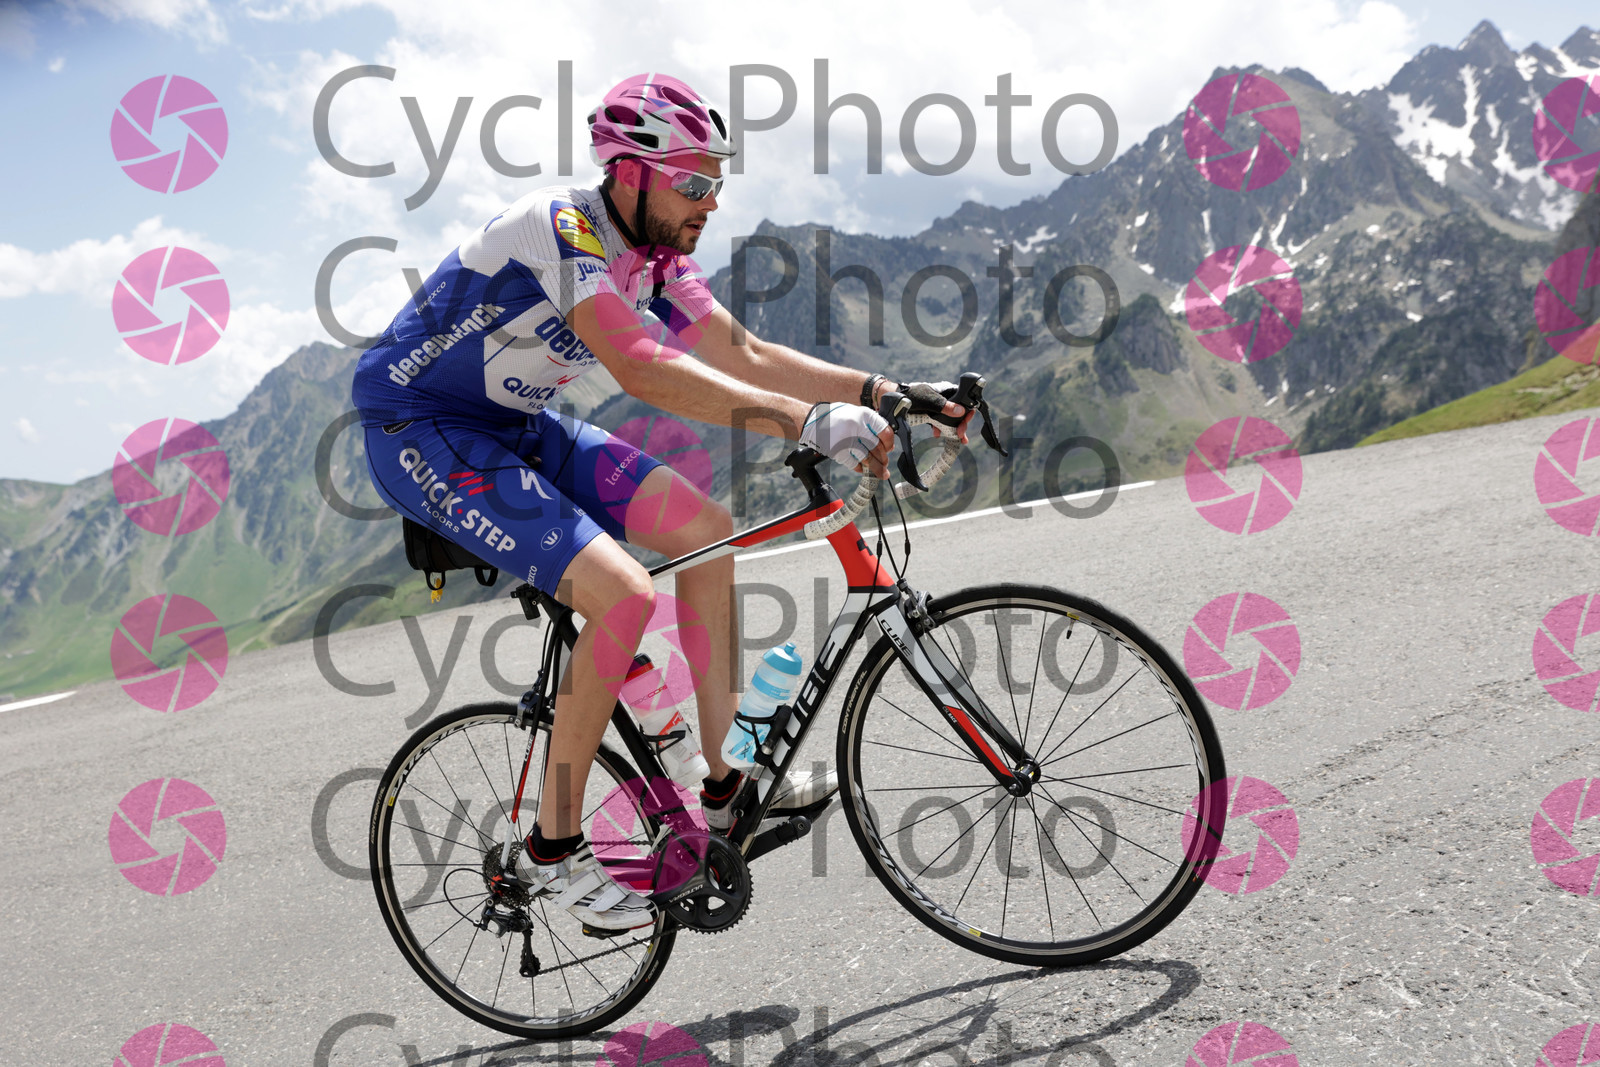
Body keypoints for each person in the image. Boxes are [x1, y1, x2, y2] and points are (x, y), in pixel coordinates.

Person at [352, 73, 970, 934]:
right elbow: (640, 366)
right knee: (623, 595)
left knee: (705, 527)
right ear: (630, 170)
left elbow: (746, 352)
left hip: (516, 423)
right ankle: (552, 851)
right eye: (692, 182)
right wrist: (804, 420)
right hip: (420, 425)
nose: (710, 201)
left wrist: (882, 389)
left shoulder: (656, 261)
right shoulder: (559, 227)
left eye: (717, 181)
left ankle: (722, 783)